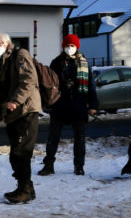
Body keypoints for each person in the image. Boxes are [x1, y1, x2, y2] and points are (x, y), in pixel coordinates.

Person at [0, 32, 41, 203]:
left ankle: (24, 190)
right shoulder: (6, 60)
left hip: (26, 110)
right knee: (17, 152)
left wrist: (15, 101)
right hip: (15, 112)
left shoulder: (20, 55)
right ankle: (27, 187)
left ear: (6, 42)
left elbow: (29, 80)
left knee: (21, 152)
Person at [40, 34, 98, 176]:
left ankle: (79, 166)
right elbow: (49, 83)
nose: (69, 48)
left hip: (79, 105)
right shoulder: (56, 62)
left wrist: (93, 105)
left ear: (77, 47)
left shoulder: (84, 63)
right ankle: (48, 165)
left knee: (80, 138)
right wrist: (48, 101)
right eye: (67, 45)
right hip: (59, 105)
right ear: (63, 47)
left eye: (72, 46)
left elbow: (91, 85)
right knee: (53, 137)